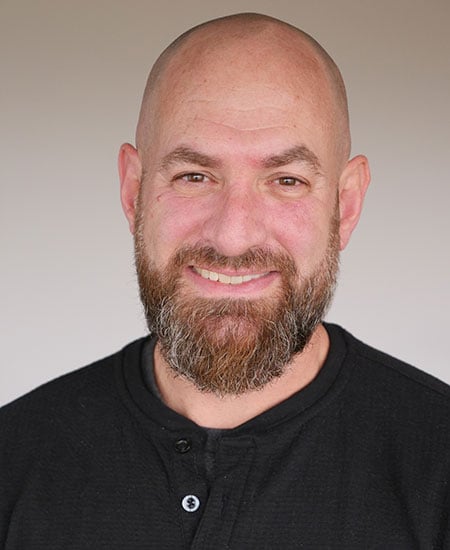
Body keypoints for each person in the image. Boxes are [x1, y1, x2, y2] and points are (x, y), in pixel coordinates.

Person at [1, 12, 449, 549]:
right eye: (194, 176)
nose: (233, 238)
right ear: (133, 192)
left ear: (345, 205)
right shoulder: (13, 460)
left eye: (287, 180)